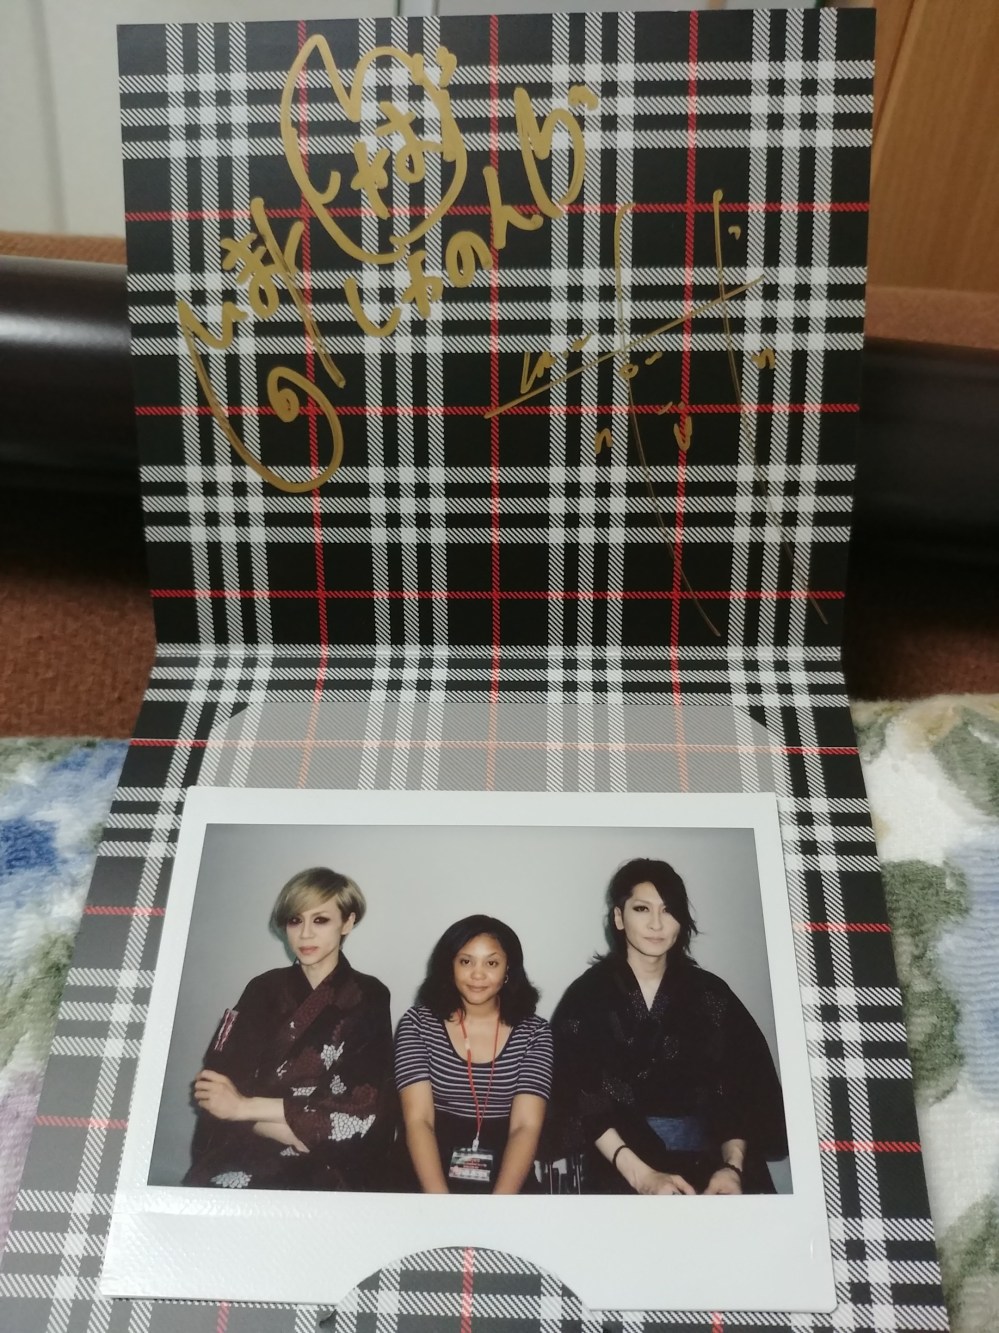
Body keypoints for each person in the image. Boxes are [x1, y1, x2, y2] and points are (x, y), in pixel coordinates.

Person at [550, 858, 787, 1196]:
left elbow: (742, 1086)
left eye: (668, 910)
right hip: (622, 1166)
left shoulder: (712, 995)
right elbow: (577, 1094)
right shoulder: (586, 996)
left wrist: (732, 1167)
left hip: (715, 1165)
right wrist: (642, 1177)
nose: (657, 924)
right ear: (619, 917)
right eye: (642, 909)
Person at [183, 866, 393, 1190]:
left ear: (347, 922)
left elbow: (362, 1103)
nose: (305, 934)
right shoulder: (262, 988)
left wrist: (243, 1107)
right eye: (296, 920)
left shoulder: (369, 994)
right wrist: (282, 1129)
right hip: (253, 1138)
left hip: (329, 1154)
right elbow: (219, 1086)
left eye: (320, 920)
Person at [394, 914, 553, 1194]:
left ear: (508, 969)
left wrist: (497, 1206)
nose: (478, 975)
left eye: (491, 963)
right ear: (450, 966)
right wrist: (440, 1204)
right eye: (466, 961)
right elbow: (419, 1120)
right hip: (426, 1168)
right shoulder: (418, 1024)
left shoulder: (534, 1032)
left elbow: (525, 1127)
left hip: (507, 1172)